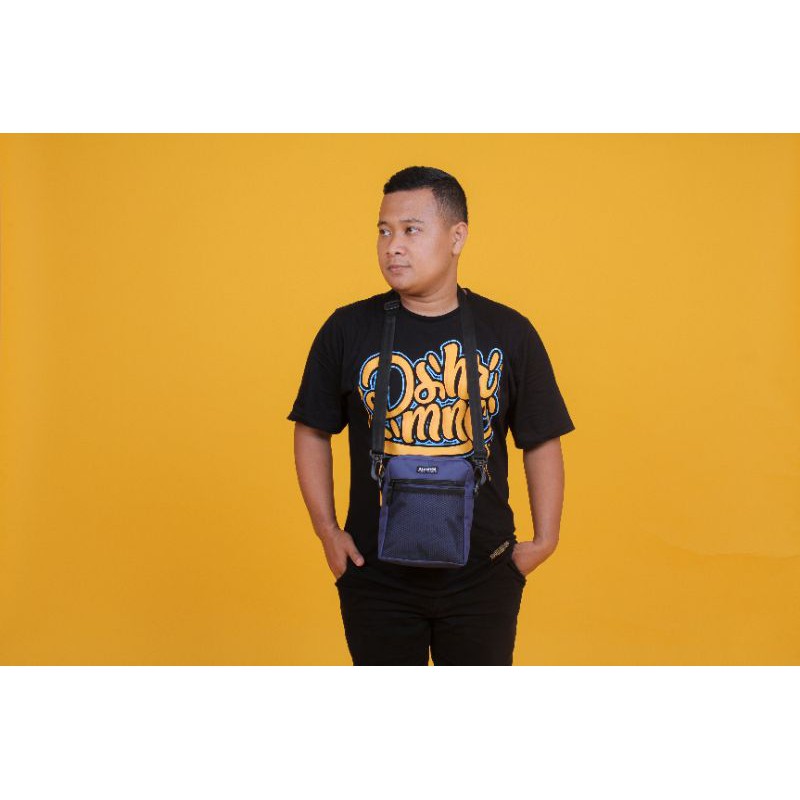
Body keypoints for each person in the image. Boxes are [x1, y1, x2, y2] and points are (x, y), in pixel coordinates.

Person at [287, 165, 575, 665]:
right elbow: (312, 429)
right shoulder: (346, 328)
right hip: (375, 576)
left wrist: (545, 541)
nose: (393, 246)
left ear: (456, 237)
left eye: (411, 230)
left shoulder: (509, 331)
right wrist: (328, 533)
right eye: (384, 231)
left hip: (484, 574)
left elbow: (541, 437)